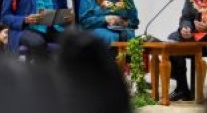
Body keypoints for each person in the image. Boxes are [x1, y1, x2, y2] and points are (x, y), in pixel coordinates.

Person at [0, 30, 132, 113]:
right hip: (27, 29)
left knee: (80, 41)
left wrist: (67, 17)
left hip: (53, 28)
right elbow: (8, 15)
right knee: (38, 42)